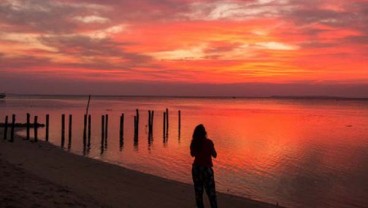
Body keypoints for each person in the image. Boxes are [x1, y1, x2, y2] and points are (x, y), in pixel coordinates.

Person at [190, 124, 218, 208]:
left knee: (198, 193)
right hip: (206, 170)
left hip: (196, 169)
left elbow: (192, 154)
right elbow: (215, 155)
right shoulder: (209, 142)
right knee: (211, 193)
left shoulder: (194, 143)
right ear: (205, 133)